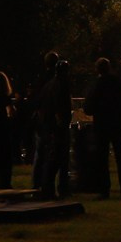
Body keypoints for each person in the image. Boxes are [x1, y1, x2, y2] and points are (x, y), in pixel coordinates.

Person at [84, 57, 121, 199]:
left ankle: (104, 190)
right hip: (118, 123)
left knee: (102, 158)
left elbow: (88, 108)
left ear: (97, 70)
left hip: (102, 125)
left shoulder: (96, 85)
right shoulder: (119, 83)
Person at [32, 52, 73, 199]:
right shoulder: (61, 85)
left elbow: (39, 103)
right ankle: (54, 188)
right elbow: (60, 105)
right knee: (57, 159)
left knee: (48, 158)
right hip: (56, 127)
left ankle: (44, 186)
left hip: (46, 126)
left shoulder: (48, 84)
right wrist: (61, 122)